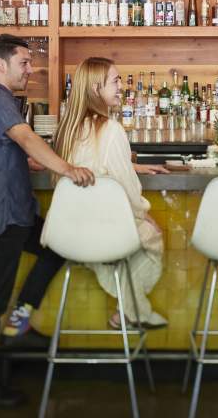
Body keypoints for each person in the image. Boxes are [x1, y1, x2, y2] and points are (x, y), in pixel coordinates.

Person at [0, 34, 95, 410]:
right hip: (0, 214)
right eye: (23, 62)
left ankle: (19, 320)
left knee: (58, 246)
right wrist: (66, 168)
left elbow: (10, 148)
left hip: (14, 212)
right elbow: (24, 136)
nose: (30, 69)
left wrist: (32, 161)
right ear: (1, 65)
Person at [47, 57, 168, 329]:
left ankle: (129, 312)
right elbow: (124, 185)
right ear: (94, 89)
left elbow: (92, 167)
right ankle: (131, 311)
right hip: (105, 232)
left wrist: (130, 163)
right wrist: (143, 214)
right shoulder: (111, 130)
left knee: (119, 254)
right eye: (114, 81)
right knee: (153, 238)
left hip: (68, 232)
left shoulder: (67, 129)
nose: (120, 86)